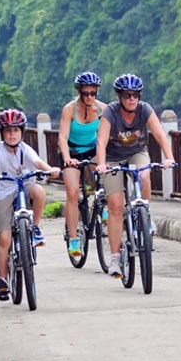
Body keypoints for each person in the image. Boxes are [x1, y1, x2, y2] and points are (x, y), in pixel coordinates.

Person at [94, 73, 176, 278]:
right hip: (112, 158)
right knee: (115, 206)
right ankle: (114, 258)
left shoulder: (145, 109)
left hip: (136, 152)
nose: (132, 99)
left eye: (135, 95)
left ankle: (144, 213)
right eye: (127, 95)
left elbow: (159, 135)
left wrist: (169, 158)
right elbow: (101, 142)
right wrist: (102, 164)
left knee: (144, 175)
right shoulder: (110, 113)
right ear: (119, 97)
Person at [0, 108, 60, 301]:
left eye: (16, 130)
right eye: (8, 131)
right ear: (2, 133)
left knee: (39, 191)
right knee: (4, 239)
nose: (12, 134)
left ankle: (36, 227)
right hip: (4, 192)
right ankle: (2, 280)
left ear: (22, 131)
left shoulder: (25, 148)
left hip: (26, 186)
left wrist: (50, 170)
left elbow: (37, 162)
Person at [58, 71, 108, 257]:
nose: (89, 97)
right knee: (72, 192)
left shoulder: (103, 109)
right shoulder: (69, 109)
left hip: (92, 150)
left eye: (92, 93)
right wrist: (66, 158)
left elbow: (107, 136)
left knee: (103, 173)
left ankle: (100, 201)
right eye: (85, 93)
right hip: (71, 151)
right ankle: (73, 239)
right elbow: (62, 137)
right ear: (79, 92)